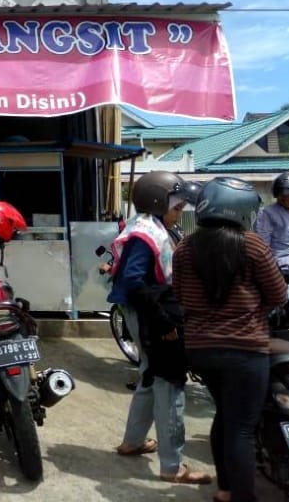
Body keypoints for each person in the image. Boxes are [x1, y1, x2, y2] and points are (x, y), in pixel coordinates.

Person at [173, 176, 285, 502]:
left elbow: (179, 295)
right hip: (245, 349)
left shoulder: (184, 247)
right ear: (239, 209)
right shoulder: (252, 244)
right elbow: (278, 294)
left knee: (225, 415)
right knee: (242, 429)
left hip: (200, 349)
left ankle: (225, 489)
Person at [109, 170, 211, 485]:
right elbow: (133, 281)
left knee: (149, 375)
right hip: (153, 315)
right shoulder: (145, 234)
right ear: (157, 203)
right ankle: (172, 466)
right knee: (169, 382)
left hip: (150, 311)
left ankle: (133, 441)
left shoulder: (154, 227)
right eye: (177, 208)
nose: (179, 214)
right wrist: (163, 320)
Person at [255, 171, 289, 301]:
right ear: (277, 195)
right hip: (285, 268)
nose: (287, 198)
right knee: (286, 302)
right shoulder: (267, 213)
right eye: (283, 195)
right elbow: (262, 244)